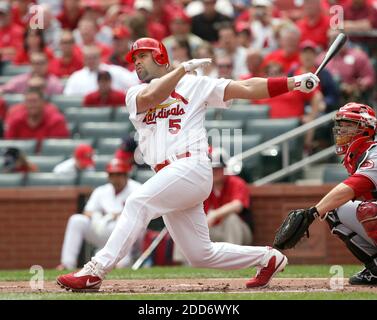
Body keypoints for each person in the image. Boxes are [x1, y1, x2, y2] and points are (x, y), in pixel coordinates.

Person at [57, 37, 320, 291]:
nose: (137, 62)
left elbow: (248, 88)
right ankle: (268, 258)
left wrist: (293, 82)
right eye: (134, 58)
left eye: (143, 56)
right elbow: (153, 96)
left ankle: (95, 270)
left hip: (190, 166)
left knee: (138, 202)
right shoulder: (134, 92)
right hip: (170, 175)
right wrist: (182, 69)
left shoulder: (194, 84)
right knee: (200, 254)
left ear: (160, 57)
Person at [275, 102, 377, 285]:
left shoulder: (375, 152)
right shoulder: (357, 156)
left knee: (369, 210)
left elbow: (352, 186)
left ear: (366, 129)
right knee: (334, 210)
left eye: (349, 125)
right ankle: (375, 267)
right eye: (341, 125)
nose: (341, 130)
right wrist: (319, 210)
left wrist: (313, 212)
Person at [57, 158, 143, 270]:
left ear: (126, 175)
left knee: (124, 222)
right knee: (76, 220)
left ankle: (121, 263)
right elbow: (87, 211)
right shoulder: (101, 191)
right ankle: (67, 264)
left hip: (127, 233)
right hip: (102, 228)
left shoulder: (137, 189)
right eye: (112, 175)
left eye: (119, 174)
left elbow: (140, 214)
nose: (115, 178)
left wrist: (115, 215)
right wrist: (98, 216)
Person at [63, 45, 138, 96]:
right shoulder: (76, 77)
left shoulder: (114, 71)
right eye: (88, 58)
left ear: (100, 57)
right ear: (84, 59)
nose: (91, 61)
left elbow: (134, 84)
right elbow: (68, 97)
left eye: (94, 57)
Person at [3, 88, 69, 145]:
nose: (32, 105)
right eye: (28, 101)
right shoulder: (16, 121)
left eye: (35, 101)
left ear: (43, 102)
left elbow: (58, 149)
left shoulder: (56, 121)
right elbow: (9, 145)